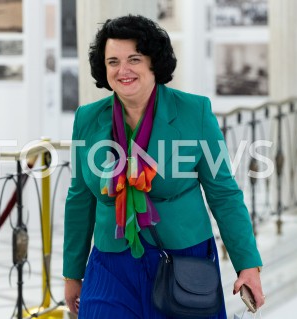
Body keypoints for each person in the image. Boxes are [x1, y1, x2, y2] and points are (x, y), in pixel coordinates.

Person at [63, 15, 264, 318]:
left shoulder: (194, 112)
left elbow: (224, 194)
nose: (123, 70)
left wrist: (247, 264)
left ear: (153, 62)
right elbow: (79, 199)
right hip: (110, 266)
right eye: (113, 61)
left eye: (134, 58)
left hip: (183, 259)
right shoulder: (87, 119)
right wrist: (72, 274)